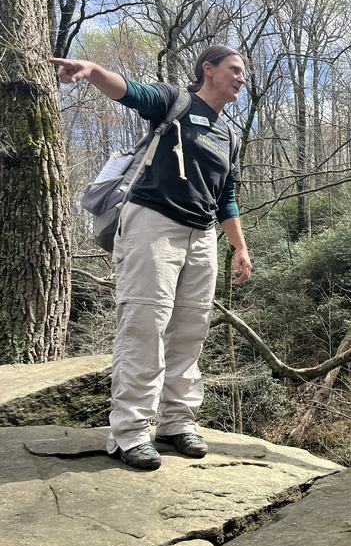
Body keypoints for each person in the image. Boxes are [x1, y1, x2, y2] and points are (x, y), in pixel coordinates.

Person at [50, 46, 252, 470]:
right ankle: (130, 431)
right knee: (145, 325)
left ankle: (177, 422)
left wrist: (239, 246)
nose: (241, 78)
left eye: (244, 73)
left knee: (190, 330)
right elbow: (130, 91)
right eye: (235, 69)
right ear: (208, 69)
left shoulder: (228, 135)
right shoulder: (175, 103)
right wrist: (92, 70)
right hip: (153, 223)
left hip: (202, 236)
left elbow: (226, 195)